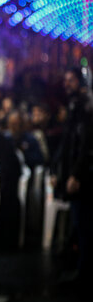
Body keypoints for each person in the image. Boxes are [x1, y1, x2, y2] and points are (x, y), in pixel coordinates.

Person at [51, 67, 93, 290]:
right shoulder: (75, 105)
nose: (67, 83)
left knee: (83, 224)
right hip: (76, 175)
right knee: (80, 224)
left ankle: (84, 274)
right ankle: (80, 269)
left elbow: (86, 144)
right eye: (65, 79)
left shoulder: (86, 105)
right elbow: (68, 142)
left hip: (84, 178)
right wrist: (57, 171)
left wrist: (76, 174)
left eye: (71, 80)